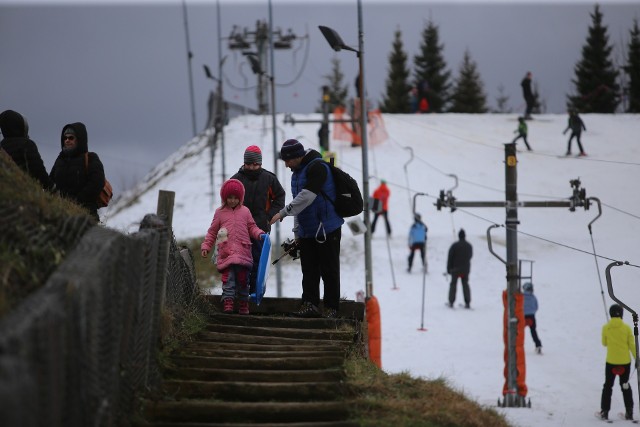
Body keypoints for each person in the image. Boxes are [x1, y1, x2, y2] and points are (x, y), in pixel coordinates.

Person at [269, 139, 343, 319]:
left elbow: (307, 197)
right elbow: (299, 206)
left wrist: (282, 213)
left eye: (287, 160)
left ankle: (332, 308)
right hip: (308, 230)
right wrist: (297, 233)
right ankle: (310, 304)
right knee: (309, 270)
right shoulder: (297, 173)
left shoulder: (318, 167)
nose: (286, 165)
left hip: (327, 228)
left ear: (296, 157)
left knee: (329, 270)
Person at [201, 178, 265, 315]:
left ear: (240, 198)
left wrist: (259, 234)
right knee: (228, 280)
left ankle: (243, 303)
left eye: (235, 198)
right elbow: (212, 231)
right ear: (224, 197)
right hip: (226, 253)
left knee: (243, 280)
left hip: (243, 252)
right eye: (229, 197)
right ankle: (228, 303)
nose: (232, 200)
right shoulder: (219, 212)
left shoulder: (246, 211)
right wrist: (206, 246)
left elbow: (252, 227)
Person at [231, 145, 285, 294]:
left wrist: (269, 217)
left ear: (260, 163)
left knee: (258, 263)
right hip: (239, 230)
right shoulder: (236, 180)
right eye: (248, 164)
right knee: (239, 262)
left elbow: (280, 197)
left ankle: (256, 294)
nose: (251, 167)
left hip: (261, 229)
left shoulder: (269, 179)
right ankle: (239, 294)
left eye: (255, 164)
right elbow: (227, 200)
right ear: (244, 163)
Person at [49, 122, 105, 222]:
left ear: (80, 139)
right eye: (65, 138)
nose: (67, 140)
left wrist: (76, 201)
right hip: (61, 214)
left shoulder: (91, 158)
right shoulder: (60, 159)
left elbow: (97, 183)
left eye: (71, 138)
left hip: (86, 216)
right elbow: (50, 181)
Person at [598, 304, 637, 421]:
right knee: (625, 386)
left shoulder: (606, 327)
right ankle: (629, 412)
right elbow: (632, 345)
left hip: (611, 362)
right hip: (625, 362)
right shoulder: (627, 328)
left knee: (608, 386)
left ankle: (605, 411)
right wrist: (637, 358)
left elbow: (604, 343)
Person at [0, 109, 54, 191]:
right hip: (26, 189)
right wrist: (51, 187)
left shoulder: (2, 146)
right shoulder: (26, 144)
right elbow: (38, 169)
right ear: (19, 126)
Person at [446, 229, 473, 309]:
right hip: (465, 269)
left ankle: (451, 301)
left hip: (455, 269)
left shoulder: (454, 245)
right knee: (465, 285)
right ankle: (467, 302)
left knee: (453, 285)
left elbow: (450, 258)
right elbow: (470, 256)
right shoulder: (469, 245)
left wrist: (449, 268)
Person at [522, 282, 542, 354]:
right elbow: (536, 307)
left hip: (522, 316)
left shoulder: (521, 297)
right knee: (533, 331)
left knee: (520, 331)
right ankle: (538, 345)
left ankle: (518, 345)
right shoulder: (533, 297)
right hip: (531, 316)